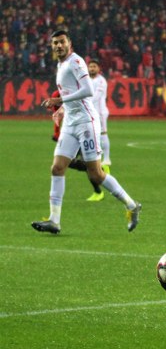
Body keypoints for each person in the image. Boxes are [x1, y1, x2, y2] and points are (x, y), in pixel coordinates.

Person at [32, 29, 142, 235]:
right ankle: (54, 220)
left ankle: (131, 204)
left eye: (62, 42)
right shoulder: (61, 64)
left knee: (96, 173)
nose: (58, 46)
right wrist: (62, 110)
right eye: (54, 43)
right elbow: (70, 92)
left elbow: (88, 91)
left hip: (87, 123)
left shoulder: (75, 62)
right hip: (71, 123)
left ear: (69, 43)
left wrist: (59, 101)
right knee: (57, 168)